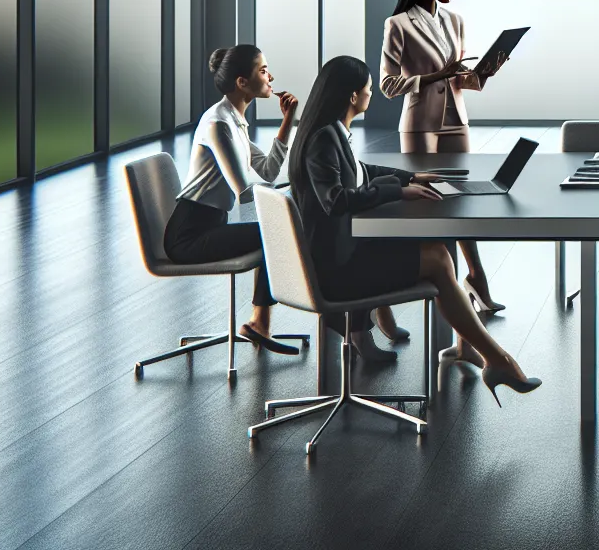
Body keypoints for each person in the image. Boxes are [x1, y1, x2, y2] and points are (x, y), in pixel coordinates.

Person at [289, 55, 540, 403]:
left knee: (438, 251)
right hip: (334, 273)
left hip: (340, 256)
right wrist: (397, 190)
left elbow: (359, 170)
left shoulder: (330, 133)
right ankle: (497, 359)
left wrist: (410, 177)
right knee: (437, 259)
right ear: (351, 97)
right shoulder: (323, 140)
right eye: (368, 89)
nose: (372, 93)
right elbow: (336, 200)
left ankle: (470, 348)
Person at [379, 0, 510, 328]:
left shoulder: (455, 20)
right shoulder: (398, 24)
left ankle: (476, 276)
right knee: (424, 207)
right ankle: (387, 298)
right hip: (420, 122)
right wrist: (438, 75)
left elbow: (461, 78)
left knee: (461, 200)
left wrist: (485, 72)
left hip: (456, 119)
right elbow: (388, 85)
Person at [166, 45, 302, 356]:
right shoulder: (218, 124)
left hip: (211, 224)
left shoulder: (235, 121)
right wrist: (287, 199)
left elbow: (266, 171)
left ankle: (260, 321)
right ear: (242, 82)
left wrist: (287, 121)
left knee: (275, 229)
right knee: (277, 231)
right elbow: (243, 189)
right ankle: (259, 322)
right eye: (263, 70)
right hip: (189, 233)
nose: (271, 76)